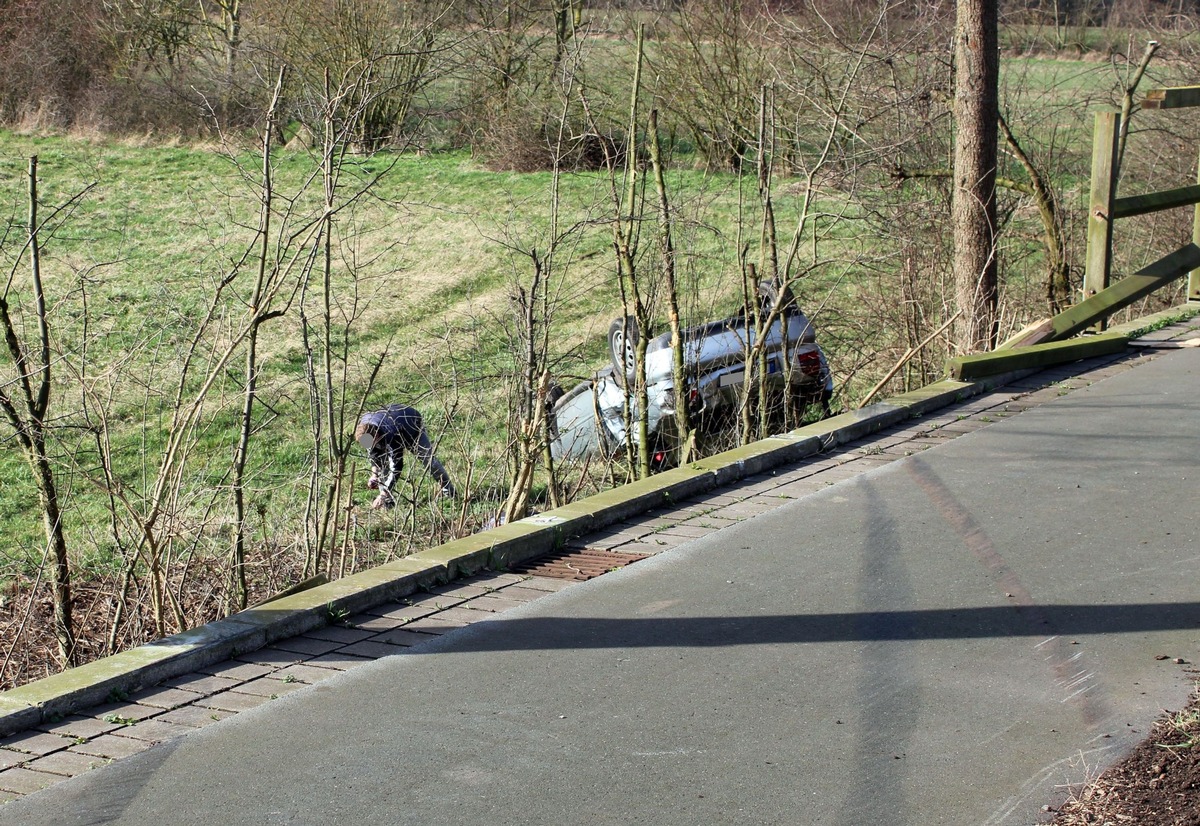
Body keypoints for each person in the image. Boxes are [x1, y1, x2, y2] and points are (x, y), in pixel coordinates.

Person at [355, 404, 456, 509]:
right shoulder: (364, 430)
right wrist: (374, 475)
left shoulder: (392, 434)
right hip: (390, 422)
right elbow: (374, 454)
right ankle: (387, 502)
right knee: (382, 467)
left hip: (411, 426)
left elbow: (396, 467)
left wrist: (382, 494)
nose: (369, 445)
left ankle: (450, 492)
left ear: (376, 435)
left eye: (372, 442)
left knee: (429, 460)